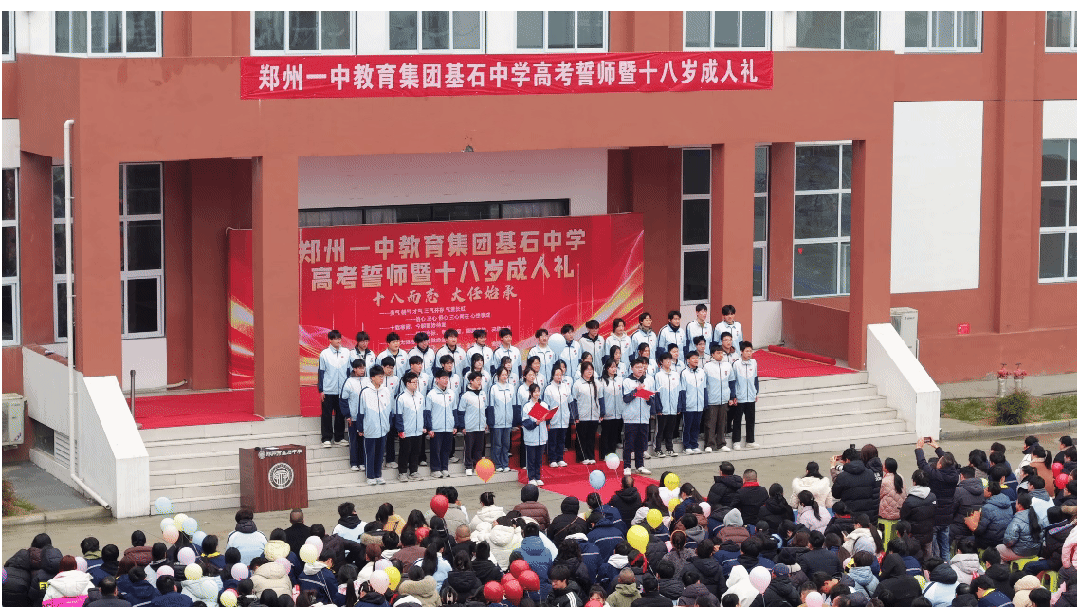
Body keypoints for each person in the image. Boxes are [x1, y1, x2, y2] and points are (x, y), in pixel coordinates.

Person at [915, 438, 960, 559]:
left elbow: (922, 464)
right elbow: (950, 463)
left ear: (940, 465)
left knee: (934, 550)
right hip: (947, 517)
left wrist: (919, 449)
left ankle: (936, 567)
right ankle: (947, 566)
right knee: (945, 548)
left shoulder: (936, 476)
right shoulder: (955, 475)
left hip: (934, 517)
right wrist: (937, 447)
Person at [355, 365, 392, 486]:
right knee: (370, 453)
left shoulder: (386, 391)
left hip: (383, 428)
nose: (382, 378)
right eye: (379, 376)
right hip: (370, 428)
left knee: (380, 454)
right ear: (372, 377)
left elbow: (389, 410)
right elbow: (361, 412)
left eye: (382, 376)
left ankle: (378, 475)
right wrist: (360, 428)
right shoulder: (365, 392)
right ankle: (370, 476)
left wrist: (388, 424)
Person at [622, 358, 655, 475]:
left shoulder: (648, 381)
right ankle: (627, 466)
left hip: (644, 417)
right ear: (632, 368)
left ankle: (640, 465)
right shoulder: (627, 381)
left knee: (641, 444)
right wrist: (636, 391)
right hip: (631, 418)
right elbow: (626, 399)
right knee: (629, 444)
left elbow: (652, 400)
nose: (640, 369)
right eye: (637, 367)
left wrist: (648, 398)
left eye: (642, 367)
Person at [319, 329, 351, 448]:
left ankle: (339, 438)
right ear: (330, 340)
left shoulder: (346, 352)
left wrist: (348, 388)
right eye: (335, 339)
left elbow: (348, 371)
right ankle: (326, 438)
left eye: (339, 338)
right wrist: (321, 390)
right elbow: (321, 372)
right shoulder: (324, 354)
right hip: (328, 389)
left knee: (340, 414)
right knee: (326, 414)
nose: (338, 341)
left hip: (342, 390)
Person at [394, 371, 427, 482]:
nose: (416, 384)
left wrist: (424, 426)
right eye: (414, 382)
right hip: (406, 430)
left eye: (417, 382)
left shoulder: (420, 396)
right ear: (407, 383)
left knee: (416, 452)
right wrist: (400, 430)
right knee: (405, 452)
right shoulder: (401, 397)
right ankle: (402, 472)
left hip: (418, 430)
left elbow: (423, 413)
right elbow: (398, 415)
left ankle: (414, 471)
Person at [702, 345, 735, 453]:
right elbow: (704, 384)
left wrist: (732, 396)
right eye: (718, 353)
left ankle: (721, 444)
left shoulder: (727, 365)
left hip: (724, 399)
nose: (721, 355)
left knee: (722, 423)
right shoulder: (707, 367)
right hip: (712, 399)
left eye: (722, 353)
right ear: (712, 354)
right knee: (710, 423)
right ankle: (709, 444)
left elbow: (731, 382)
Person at [832, 447, 880, 520]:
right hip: (867, 516)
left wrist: (833, 466)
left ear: (847, 460)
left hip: (850, 516)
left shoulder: (842, 476)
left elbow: (836, 495)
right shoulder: (870, 473)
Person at [727, 341, 759, 450]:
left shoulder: (754, 363)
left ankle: (750, 441)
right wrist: (733, 396)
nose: (749, 353)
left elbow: (755, 379)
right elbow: (732, 381)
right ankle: (736, 441)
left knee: (750, 420)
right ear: (741, 352)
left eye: (751, 351)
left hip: (751, 396)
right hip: (740, 397)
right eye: (747, 351)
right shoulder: (736, 364)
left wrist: (756, 392)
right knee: (737, 420)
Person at [901, 468, 938, 557]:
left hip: (913, 537)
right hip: (928, 535)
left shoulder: (909, 501)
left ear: (914, 482)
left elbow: (903, 517)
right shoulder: (933, 497)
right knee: (927, 558)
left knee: (913, 559)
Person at [457, 371, 488, 477]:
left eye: (480, 380)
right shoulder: (465, 396)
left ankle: (477, 465)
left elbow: (485, 409)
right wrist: (462, 426)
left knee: (479, 448)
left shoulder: (483, 394)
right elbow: (461, 412)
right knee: (469, 448)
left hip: (481, 426)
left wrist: (485, 422)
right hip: (470, 427)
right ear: (471, 381)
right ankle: (468, 466)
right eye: (477, 380)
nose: (480, 382)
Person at [340, 359, 369, 472]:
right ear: (354, 369)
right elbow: (343, 400)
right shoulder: (349, 382)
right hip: (353, 417)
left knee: (364, 441)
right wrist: (347, 415)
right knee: (354, 440)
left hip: (365, 417)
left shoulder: (368, 380)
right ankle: (354, 463)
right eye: (360, 368)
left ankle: (362, 462)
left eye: (363, 368)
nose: (362, 370)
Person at [545, 365, 575, 468]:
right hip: (553, 418)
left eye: (560, 375)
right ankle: (552, 459)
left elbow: (570, 402)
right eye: (557, 374)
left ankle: (560, 458)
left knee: (562, 440)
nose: (559, 377)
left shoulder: (566, 387)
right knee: (553, 440)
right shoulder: (549, 389)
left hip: (564, 418)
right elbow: (546, 406)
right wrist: (547, 421)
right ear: (553, 375)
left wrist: (572, 416)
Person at [574, 361, 604, 465]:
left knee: (591, 437)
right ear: (582, 371)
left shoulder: (597, 383)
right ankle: (582, 457)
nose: (589, 371)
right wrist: (576, 415)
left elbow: (601, 398)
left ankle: (591, 456)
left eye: (591, 369)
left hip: (594, 415)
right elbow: (574, 400)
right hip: (582, 415)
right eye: (587, 369)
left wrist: (602, 412)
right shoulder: (577, 384)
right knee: (582, 437)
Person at [998, 494, 1043, 562]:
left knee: (998, 548)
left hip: (1020, 553)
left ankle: (1004, 567)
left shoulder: (1017, 520)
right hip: (1035, 551)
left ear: (1019, 505)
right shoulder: (1037, 517)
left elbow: (1008, 541)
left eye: (1016, 503)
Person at [489, 367, 517, 473]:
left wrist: (514, 420)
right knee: (497, 444)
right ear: (498, 376)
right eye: (503, 374)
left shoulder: (511, 387)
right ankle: (497, 464)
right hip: (497, 421)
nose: (505, 376)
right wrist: (491, 421)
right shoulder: (494, 388)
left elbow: (514, 405)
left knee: (506, 444)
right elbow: (491, 406)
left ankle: (505, 464)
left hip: (508, 421)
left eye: (506, 374)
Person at [521, 383, 548, 486]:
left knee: (539, 459)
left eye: (538, 391)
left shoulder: (544, 404)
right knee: (531, 459)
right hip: (531, 436)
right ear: (530, 393)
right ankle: (531, 477)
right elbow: (525, 422)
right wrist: (535, 423)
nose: (537, 394)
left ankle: (538, 476)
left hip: (542, 435)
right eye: (534, 392)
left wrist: (547, 417)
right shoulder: (527, 406)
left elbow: (548, 418)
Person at [680, 351, 707, 454]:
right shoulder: (684, 373)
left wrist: (705, 402)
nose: (696, 360)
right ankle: (686, 446)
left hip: (699, 404)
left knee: (696, 426)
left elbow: (704, 388)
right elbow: (682, 390)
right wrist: (683, 405)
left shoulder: (701, 372)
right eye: (693, 358)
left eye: (697, 358)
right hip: (689, 405)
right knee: (687, 426)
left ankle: (694, 445)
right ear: (688, 360)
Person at [599, 359, 624, 459]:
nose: (614, 369)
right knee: (606, 434)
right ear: (607, 368)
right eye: (611, 367)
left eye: (615, 367)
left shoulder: (619, 380)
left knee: (614, 435)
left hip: (617, 412)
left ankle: (612, 454)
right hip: (607, 413)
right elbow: (600, 397)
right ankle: (604, 454)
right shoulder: (602, 381)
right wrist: (602, 412)